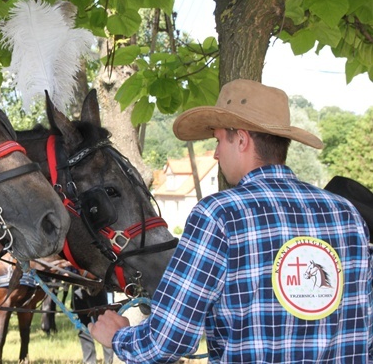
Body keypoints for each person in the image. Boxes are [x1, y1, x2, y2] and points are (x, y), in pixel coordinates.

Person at [88, 79, 372, 363]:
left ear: (242, 139)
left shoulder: (219, 214)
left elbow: (169, 341)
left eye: (219, 140)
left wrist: (118, 336)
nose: (215, 152)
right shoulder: (347, 214)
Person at [72, 286, 113, 364]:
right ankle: (89, 361)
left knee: (104, 326)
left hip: (96, 287)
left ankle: (110, 361)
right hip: (78, 287)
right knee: (83, 327)